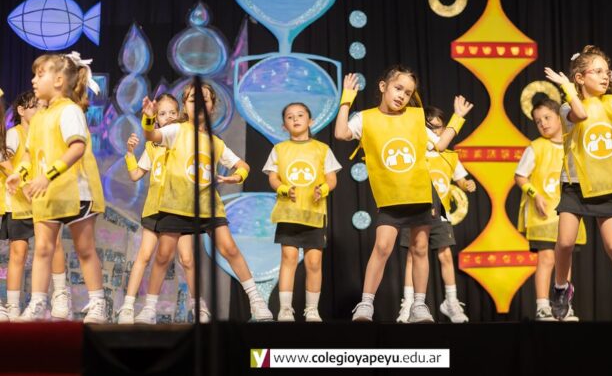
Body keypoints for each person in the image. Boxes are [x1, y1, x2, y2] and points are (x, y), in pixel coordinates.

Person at [334, 66, 473, 322]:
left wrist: (457, 119)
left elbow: (441, 145)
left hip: (420, 194)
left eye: (408, 93)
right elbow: (341, 133)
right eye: (398, 88)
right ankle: (366, 304)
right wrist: (346, 100)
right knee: (382, 246)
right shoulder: (366, 118)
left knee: (420, 248)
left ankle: (419, 305)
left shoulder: (415, 117)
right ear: (383, 86)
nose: (402, 96)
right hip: (390, 197)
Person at [140, 81, 273, 322]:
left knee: (230, 249)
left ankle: (256, 301)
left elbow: (243, 165)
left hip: (207, 205)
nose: (200, 104)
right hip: (176, 205)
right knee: (163, 255)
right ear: (185, 106)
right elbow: (152, 135)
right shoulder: (176, 131)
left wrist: (237, 176)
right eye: (193, 100)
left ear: (212, 107)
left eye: (205, 100)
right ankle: (149, 308)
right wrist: (149, 118)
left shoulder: (216, 142)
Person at [544, 45, 612, 321]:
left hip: (605, 186)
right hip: (575, 186)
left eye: (608, 72)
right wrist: (568, 88)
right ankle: (560, 288)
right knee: (565, 243)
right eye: (599, 72)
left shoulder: (610, 104)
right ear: (580, 78)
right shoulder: (567, 107)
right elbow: (580, 114)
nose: (606, 77)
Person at [6, 52, 106, 323]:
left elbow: (77, 148)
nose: (33, 80)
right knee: (42, 248)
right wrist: (19, 174)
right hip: (48, 195)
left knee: (85, 249)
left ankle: (98, 302)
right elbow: (29, 155)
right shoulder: (39, 117)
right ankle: (38, 303)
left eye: (40, 75)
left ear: (59, 80)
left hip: (77, 192)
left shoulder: (69, 110)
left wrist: (47, 176)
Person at [117, 93, 211, 324]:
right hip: (155, 209)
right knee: (144, 256)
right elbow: (135, 175)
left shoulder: (185, 141)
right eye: (162, 113)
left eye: (172, 112)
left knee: (187, 258)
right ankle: (128, 306)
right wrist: (129, 154)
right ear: (156, 118)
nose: (168, 117)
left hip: (179, 210)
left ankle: (199, 306)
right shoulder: (152, 146)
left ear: (179, 114)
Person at [396, 105, 476, 324]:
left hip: (440, 214)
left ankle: (451, 301)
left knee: (446, 255)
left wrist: (467, 184)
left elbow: (460, 179)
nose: (433, 132)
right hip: (415, 211)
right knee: (412, 256)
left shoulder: (449, 155)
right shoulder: (415, 151)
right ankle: (409, 303)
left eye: (437, 127)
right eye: (428, 127)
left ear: (445, 128)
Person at [263, 102, 341, 322]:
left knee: (314, 262)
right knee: (288, 258)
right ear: (284, 125)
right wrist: (283, 189)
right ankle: (285, 309)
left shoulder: (322, 149)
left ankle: (312, 309)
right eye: (289, 117)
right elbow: (273, 177)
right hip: (288, 213)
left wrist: (323, 189)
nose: (295, 119)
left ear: (310, 120)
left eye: (300, 115)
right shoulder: (279, 149)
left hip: (313, 214)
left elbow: (332, 178)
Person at [515, 98, 586, 321]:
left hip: (568, 213)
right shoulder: (536, 147)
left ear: (560, 116)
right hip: (543, 215)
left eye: (547, 118)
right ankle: (543, 306)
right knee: (546, 258)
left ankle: (564, 305)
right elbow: (520, 176)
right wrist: (535, 195)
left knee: (564, 260)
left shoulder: (572, 143)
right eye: (538, 121)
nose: (543, 123)